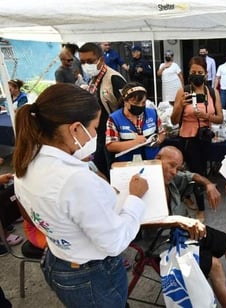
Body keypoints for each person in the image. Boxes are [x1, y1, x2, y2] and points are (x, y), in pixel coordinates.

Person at [13, 83, 148, 308]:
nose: (96, 135)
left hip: (59, 259)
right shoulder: (73, 179)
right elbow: (114, 243)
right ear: (75, 129)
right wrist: (134, 197)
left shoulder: (27, 159)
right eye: (95, 128)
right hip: (90, 274)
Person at [156, 146, 226, 307]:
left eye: (178, 167)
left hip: (187, 229)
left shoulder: (172, 178)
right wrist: (179, 221)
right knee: (215, 264)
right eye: (171, 165)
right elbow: (144, 223)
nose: (175, 172)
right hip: (168, 242)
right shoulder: (145, 183)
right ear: (157, 159)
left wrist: (209, 185)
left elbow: (193, 175)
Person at [170, 56, 223, 222]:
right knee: (196, 172)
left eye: (200, 72)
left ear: (206, 73)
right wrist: (179, 105)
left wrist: (206, 115)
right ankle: (201, 208)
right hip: (188, 138)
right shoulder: (183, 91)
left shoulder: (212, 92)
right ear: (189, 73)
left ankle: (188, 195)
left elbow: (220, 118)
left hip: (205, 138)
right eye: (193, 72)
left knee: (202, 171)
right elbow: (173, 120)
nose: (197, 75)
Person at [79, 42, 127, 179]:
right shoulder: (94, 79)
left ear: (101, 59)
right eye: (82, 62)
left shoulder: (114, 78)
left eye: (90, 61)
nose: (86, 65)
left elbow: (127, 108)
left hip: (112, 136)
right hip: (98, 135)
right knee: (99, 169)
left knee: (111, 171)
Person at [106, 82, 165, 162]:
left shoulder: (152, 113)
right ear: (125, 102)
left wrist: (158, 140)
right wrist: (135, 142)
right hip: (127, 164)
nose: (140, 106)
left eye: (143, 103)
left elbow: (162, 133)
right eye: (136, 103)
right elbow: (111, 146)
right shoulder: (114, 119)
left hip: (152, 161)